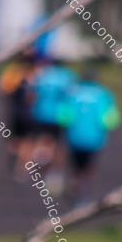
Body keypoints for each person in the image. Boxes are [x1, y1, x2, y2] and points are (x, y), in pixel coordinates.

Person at [58, 68, 120, 206]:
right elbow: (110, 120)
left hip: (74, 137)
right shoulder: (103, 94)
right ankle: (85, 191)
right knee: (89, 166)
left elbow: (63, 117)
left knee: (75, 164)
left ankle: (75, 187)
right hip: (94, 139)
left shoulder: (72, 93)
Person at [29, 57, 77, 187]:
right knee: (59, 146)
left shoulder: (42, 74)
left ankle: (41, 163)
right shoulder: (68, 76)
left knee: (42, 139)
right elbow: (73, 97)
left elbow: (32, 92)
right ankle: (54, 174)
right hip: (60, 116)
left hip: (41, 113)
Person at [0, 48, 38, 179]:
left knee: (20, 141)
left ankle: (20, 165)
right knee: (21, 142)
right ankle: (21, 165)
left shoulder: (15, 72)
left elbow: (3, 90)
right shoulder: (35, 74)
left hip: (21, 113)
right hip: (24, 113)